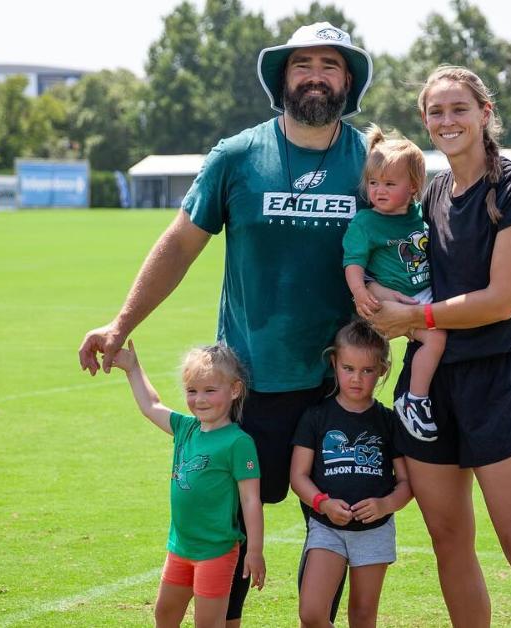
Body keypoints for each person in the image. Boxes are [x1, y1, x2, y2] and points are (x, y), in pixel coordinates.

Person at [78, 22, 372, 625]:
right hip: (250, 383)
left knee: (336, 523)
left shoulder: (372, 161)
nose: (315, 76)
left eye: (330, 65)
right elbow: (181, 244)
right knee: (229, 525)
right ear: (281, 79)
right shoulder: (237, 156)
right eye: (302, 65)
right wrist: (121, 321)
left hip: (338, 386)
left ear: (349, 81)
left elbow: (403, 249)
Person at [365, 66, 511, 627]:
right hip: (429, 386)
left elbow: (501, 301)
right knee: (449, 541)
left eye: (458, 108)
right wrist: (375, 300)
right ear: (425, 122)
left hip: (497, 381)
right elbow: (405, 269)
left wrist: (412, 316)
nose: (447, 121)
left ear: (485, 113)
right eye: (435, 112)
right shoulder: (431, 193)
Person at [110, 341, 265, 628]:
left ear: (234, 390)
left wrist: (254, 551)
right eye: (192, 391)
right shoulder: (185, 428)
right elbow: (151, 405)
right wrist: (132, 368)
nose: (200, 399)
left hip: (215, 552)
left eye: (209, 390)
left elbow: (251, 500)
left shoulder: (238, 442)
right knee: (164, 616)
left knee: (208, 623)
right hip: (179, 548)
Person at [290, 320, 412, 628]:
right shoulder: (316, 416)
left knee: (362, 616)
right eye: (348, 368)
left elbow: (407, 484)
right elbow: (298, 476)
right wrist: (322, 503)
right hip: (326, 528)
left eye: (367, 370)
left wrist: (386, 505)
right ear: (334, 363)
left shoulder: (387, 421)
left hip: (374, 531)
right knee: (312, 614)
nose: (356, 379)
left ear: (382, 370)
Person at [342, 125, 445, 442]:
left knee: (446, 330)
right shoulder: (366, 222)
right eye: (373, 183)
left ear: (414, 187)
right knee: (436, 337)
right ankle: (415, 399)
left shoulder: (419, 215)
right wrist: (361, 292)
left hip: (421, 292)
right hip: (389, 303)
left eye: (389, 183)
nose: (378, 191)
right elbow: (353, 263)